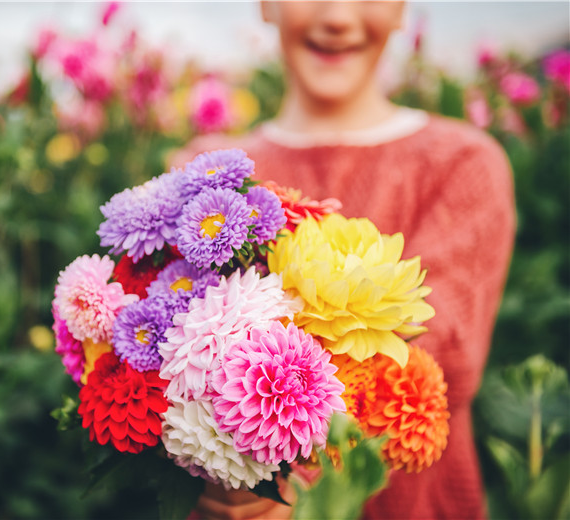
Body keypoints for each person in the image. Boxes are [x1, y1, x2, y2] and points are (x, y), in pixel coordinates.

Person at [172, 2, 516, 519]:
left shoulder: (463, 164)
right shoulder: (204, 175)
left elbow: (439, 358)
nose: (337, 17)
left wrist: (265, 477)